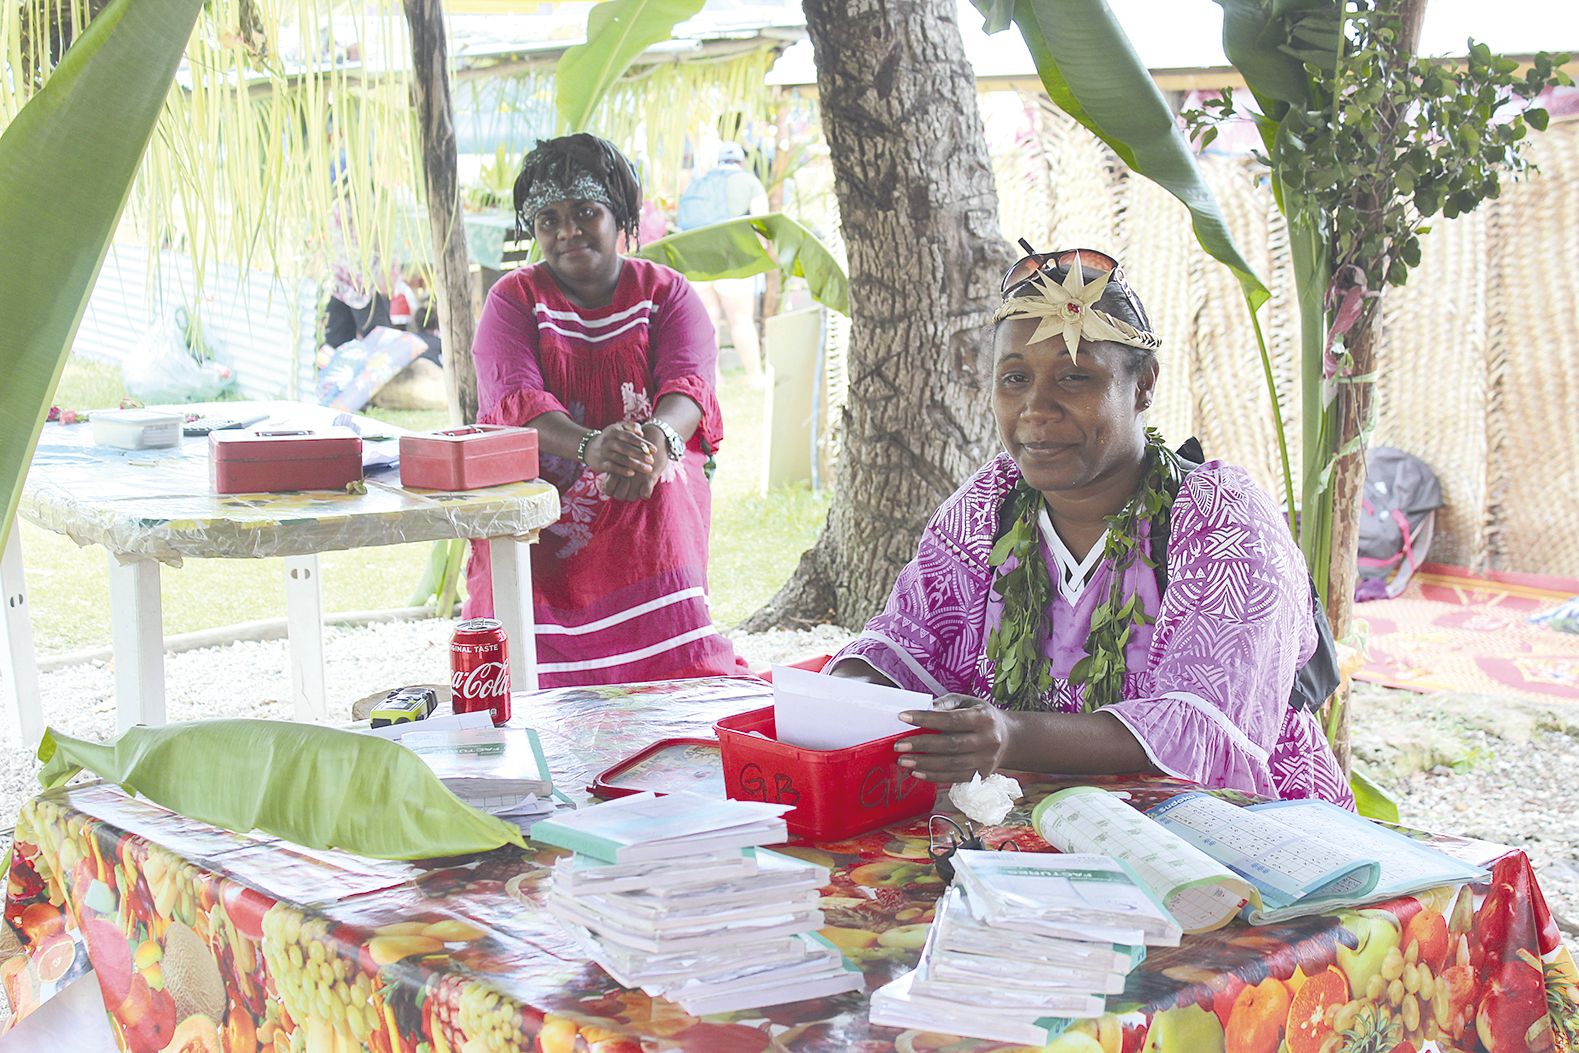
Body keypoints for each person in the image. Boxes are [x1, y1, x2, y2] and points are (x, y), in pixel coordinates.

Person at [828, 245, 1354, 808]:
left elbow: (1202, 725)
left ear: (1144, 384)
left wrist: (1011, 736)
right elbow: (907, 640)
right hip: (1033, 821)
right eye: (1014, 378)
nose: (1036, 407)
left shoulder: (1221, 518)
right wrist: (842, 698)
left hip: (1240, 837)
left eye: (1075, 377)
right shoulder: (991, 503)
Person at [462, 133, 747, 687]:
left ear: (619, 217)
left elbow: (688, 389)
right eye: (548, 218)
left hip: (647, 471)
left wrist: (653, 446)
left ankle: (671, 668)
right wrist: (593, 447)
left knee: (661, 483)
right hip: (547, 487)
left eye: (585, 212)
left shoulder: (667, 293)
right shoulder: (514, 300)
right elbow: (516, 403)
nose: (567, 231)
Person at [676, 142, 770, 386]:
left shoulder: (700, 184)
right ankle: (755, 376)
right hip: (730, 260)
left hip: (697, 260)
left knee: (709, 321)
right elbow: (762, 224)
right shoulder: (750, 182)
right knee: (740, 319)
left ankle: (715, 378)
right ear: (741, 161)